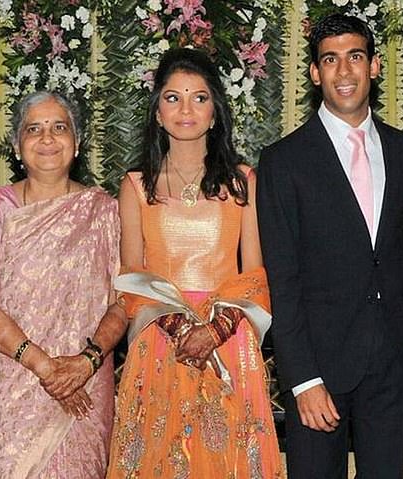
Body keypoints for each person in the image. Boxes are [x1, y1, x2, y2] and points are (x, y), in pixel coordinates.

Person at [107, 48, 282, 478]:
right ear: (157, 113)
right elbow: (132, 277)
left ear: (215, 112)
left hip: (230, 339)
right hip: (160, 339)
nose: (186, 109)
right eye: (173, 98)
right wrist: (182, 329)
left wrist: (215, 331)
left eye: (199, 98)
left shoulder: (242, 181)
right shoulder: (135, 185)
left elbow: (255, 276)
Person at [257, 13, 403, 478]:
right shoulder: (284, 161)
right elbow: (281, 281)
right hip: (318, 370)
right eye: (330, 60)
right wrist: (302, 379)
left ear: (374, 66)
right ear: (314, 72)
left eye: (355, 57)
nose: (343, 72)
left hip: (393, 365)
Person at [0, 90, 128, 478]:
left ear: (77, 142)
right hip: (11, 380)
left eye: (59, 128)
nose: (48, 138)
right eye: (34, 129)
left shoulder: (104, 212)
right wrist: (46, 368)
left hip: (85, 380)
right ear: (18, 146)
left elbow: (124, 301)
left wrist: (85, 363)